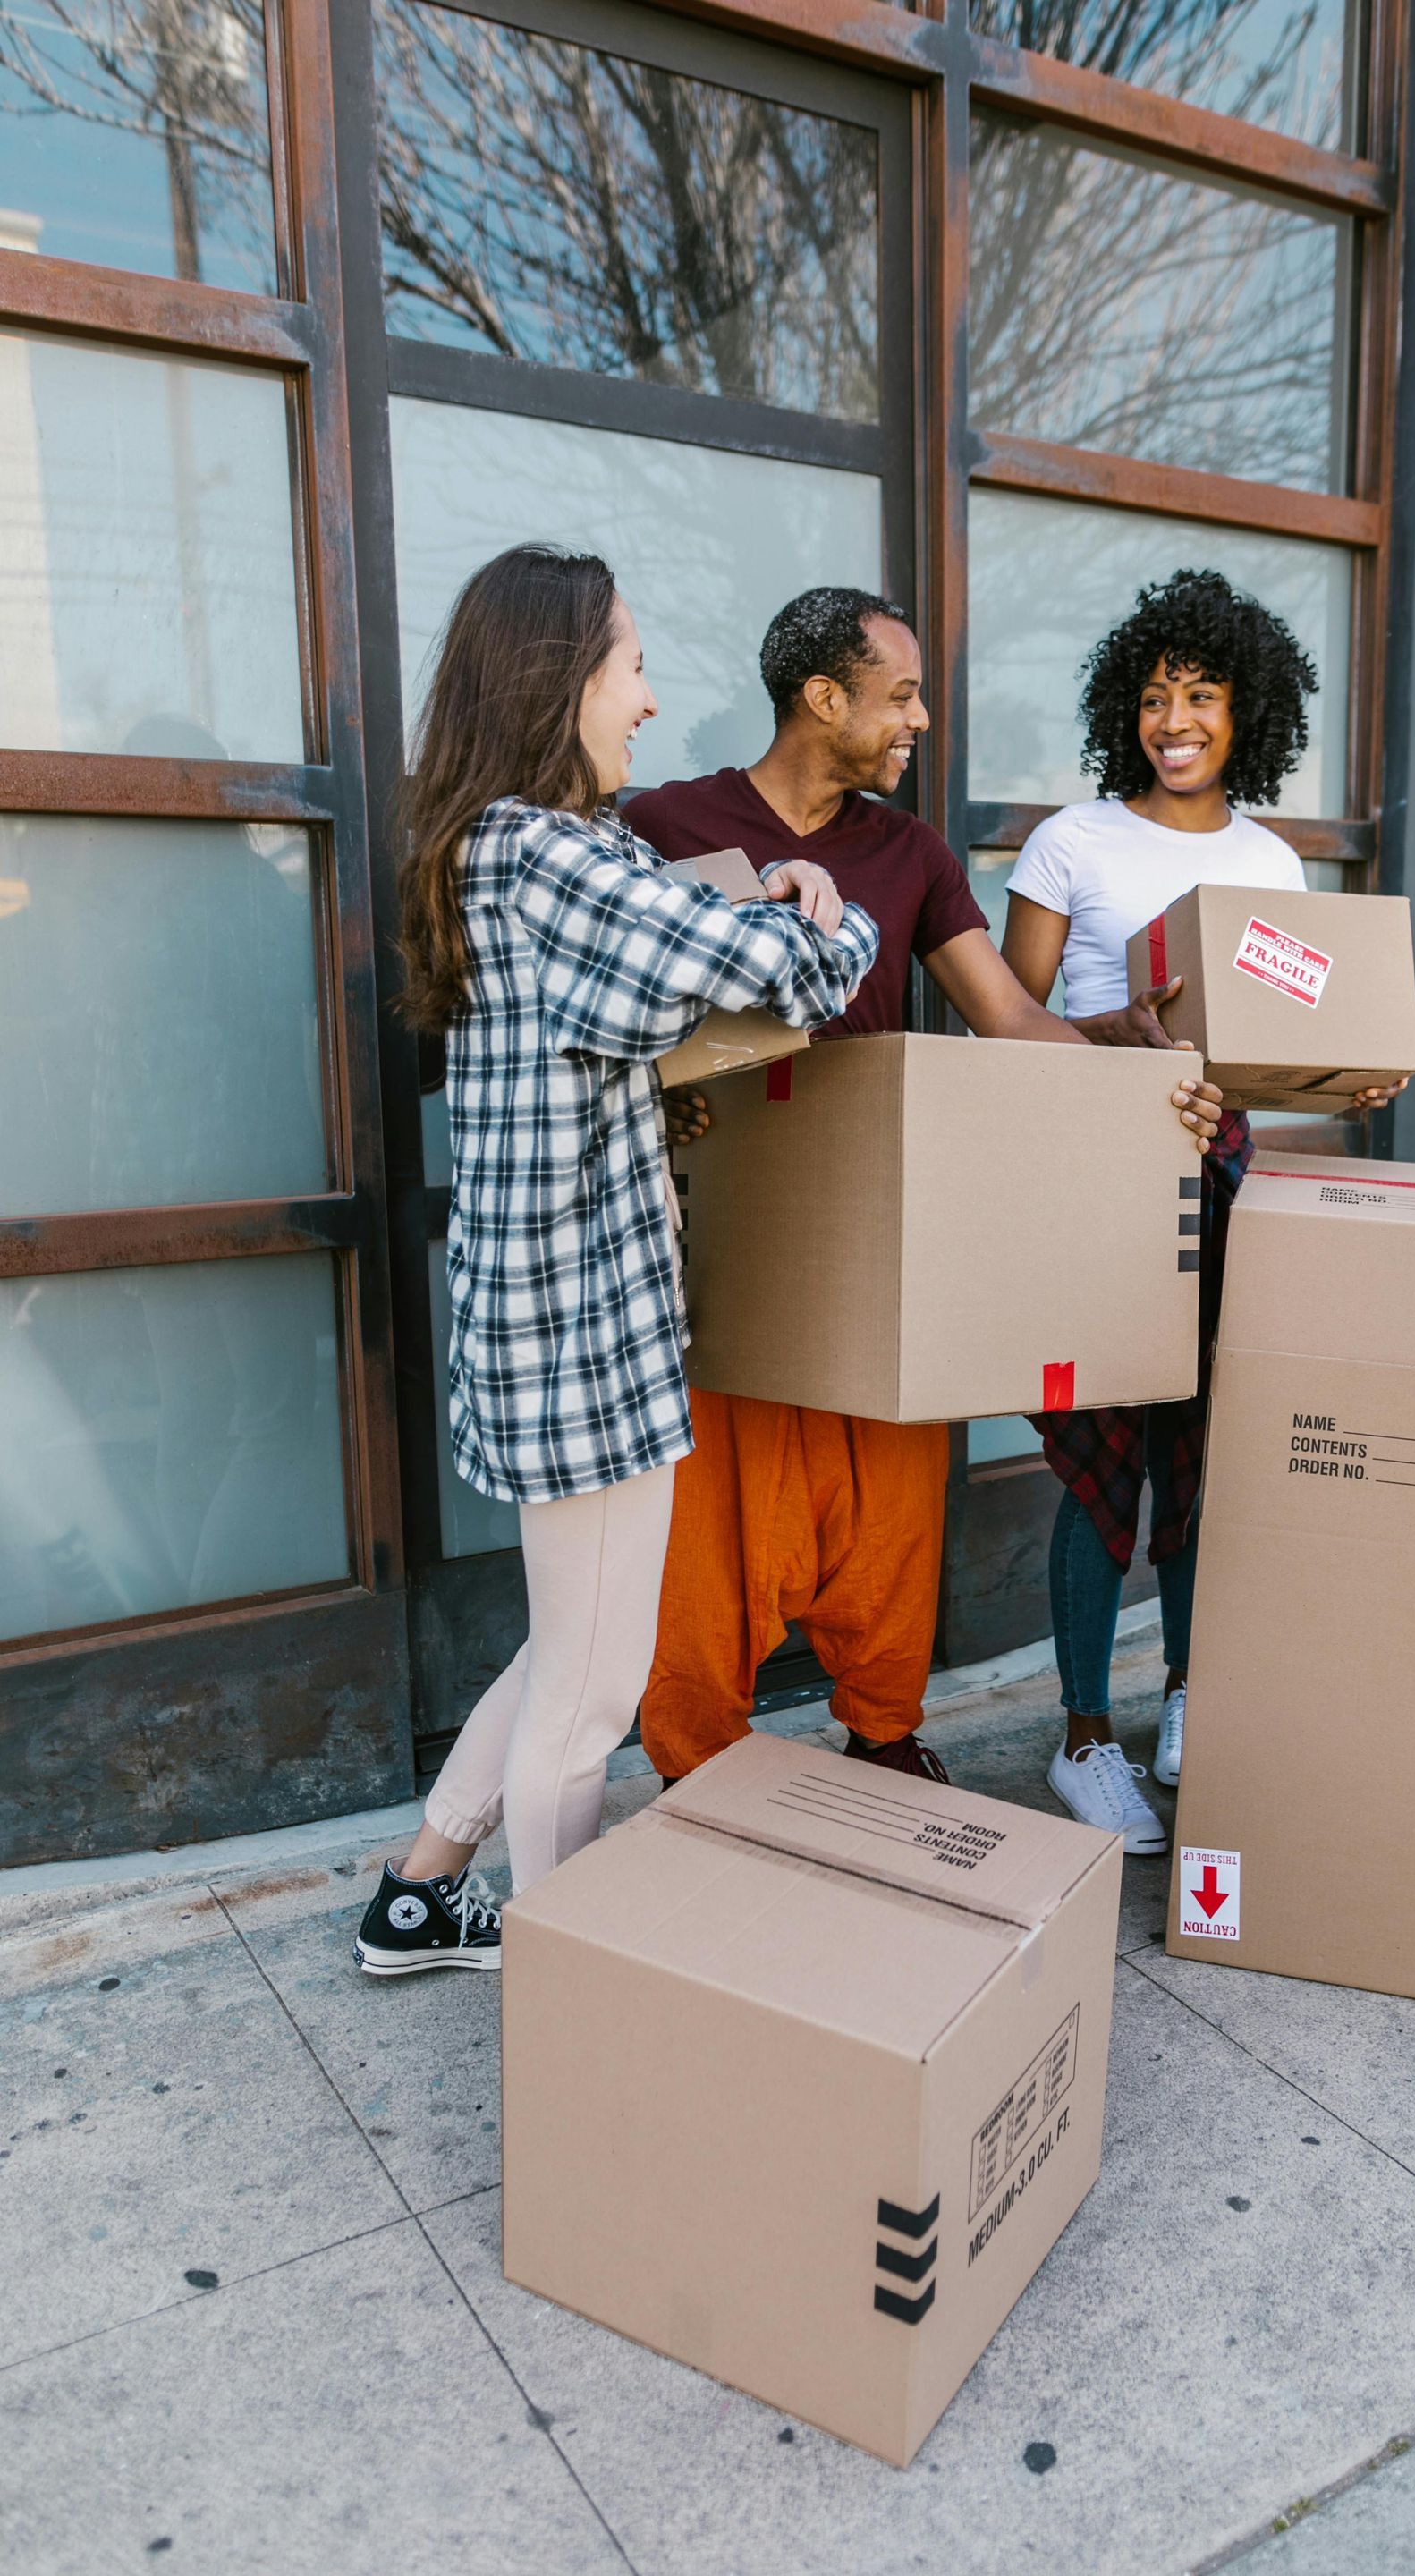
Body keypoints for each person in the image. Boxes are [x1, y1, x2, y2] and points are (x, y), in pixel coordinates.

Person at [352, 546, 878, 1975]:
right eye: (631, 664)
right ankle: (577, 1990)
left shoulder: (482, 848)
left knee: (564, 1647)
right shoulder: (556, 852)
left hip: (545, 1323)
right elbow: (789, 969)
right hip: (582, 1336)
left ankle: (421, 1893)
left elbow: (662, 977)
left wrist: (748, 922)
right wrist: (821, 910)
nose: (648, 701)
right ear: (560, 676)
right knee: (593, 1697)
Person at [627, 585, 1224, 1792]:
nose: (919, 722)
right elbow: (612, 1010)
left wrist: (1141, 1084)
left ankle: (883, 1730)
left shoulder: (910, 854)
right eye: (899, 696)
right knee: (715, 1518)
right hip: (724, 1238)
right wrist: (658, 1092)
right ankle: (695, 1762)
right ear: (822, 696)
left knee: (892, 1499)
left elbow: (1006, 1015)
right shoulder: (663, 824)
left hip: (878, 1238)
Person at [1003, 567, 1409, 1853]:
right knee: (1098, 1467)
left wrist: (1356, 1066)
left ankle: (1185, 1693)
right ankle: (1082, 1739)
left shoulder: (1268, 860)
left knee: (1197, 1460)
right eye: (1154, 694)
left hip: (1220, 1173)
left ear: (1251, 713)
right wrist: (1114, 1036)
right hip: (1088, 1175)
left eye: (1203, 693)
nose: (1174, 718)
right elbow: (1005, 1029)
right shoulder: (1073, 842)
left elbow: (1281, 1036)